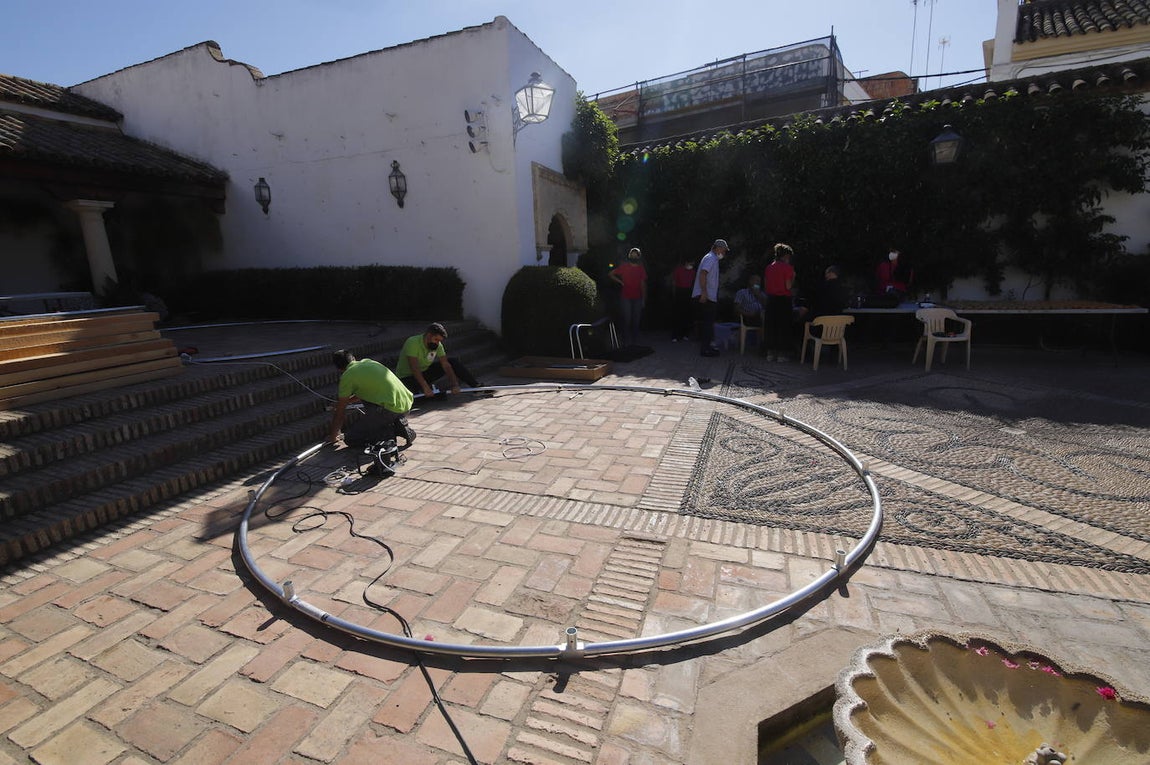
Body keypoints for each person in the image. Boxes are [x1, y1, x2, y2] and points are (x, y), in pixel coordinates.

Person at [327, 349, 415, 449]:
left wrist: (333, 437)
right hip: (406, 404)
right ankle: (396, 423)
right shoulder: (369, 362)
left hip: (389, 410)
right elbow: (366, 392)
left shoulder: (347, 376)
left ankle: (388, 434)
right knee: (368, 399)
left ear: (339, 369)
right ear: (353, 358)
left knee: (351, 439)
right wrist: (344, 402)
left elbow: (340, 412)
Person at [396, 322, 479, 397]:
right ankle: (425, 391)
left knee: (452, 362)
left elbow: (445, 365)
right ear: (428, 335)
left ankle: (476, 387)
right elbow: (414, 368)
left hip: (424, 372)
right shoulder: (412, 342)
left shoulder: (438, 345)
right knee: (419, 398)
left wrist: (455, 385)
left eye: (439, 341)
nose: (437, 343)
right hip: (408, 377)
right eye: (436, 339)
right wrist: (425, 387)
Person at [692, 238, 728, 357]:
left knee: (707, 323)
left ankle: (707, 347)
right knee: (708, 323)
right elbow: (703, 274)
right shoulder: (711, 258)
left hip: (708, 295)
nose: (724, 253)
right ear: (717, 248)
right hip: (707, 296)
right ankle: (705, 349)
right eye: (723, 250)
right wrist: (704, 292)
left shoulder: (712, 258)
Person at [762, 243, 796, 361]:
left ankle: (770, 353)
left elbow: (766, 286)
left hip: (771, 300)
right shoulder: (788, 268)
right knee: (784, 327)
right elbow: (788, 286)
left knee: (771, 326)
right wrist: (793, 277)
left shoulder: (769, 267)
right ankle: (782, 354)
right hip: (783, 300)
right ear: (786, 256)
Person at [609, 247, 648, 346]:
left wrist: (643, 299)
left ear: (639, 257)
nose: (633, 256)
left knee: (636, 320)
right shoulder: (624, 266)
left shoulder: (641, 269)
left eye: (635, 255)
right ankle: (625, 341)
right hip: (625, 297)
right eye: (632, 254)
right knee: (626, 319)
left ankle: (634, 341)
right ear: (629, 255)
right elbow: (611, 274)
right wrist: (621, 282)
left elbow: (643, 284)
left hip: (637, 297)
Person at [670, 257, 696, 342]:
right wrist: (674, 293)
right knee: (678, 314)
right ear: (686, 262)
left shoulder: (692, 272)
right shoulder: (678, 270)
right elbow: (674, 282)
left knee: (687, 314)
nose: (691, 265)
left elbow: (692, 283)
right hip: (679, 291)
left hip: (688, 292)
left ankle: (685, 334)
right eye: (690, 263)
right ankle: (675, 335)